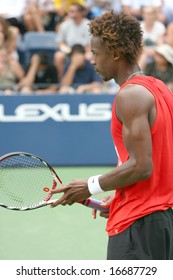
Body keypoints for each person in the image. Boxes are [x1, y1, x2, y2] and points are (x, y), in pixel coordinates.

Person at [50, 11, 173, 260]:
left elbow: (141, 166)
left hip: (138, 225)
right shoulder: (159, 88)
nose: (91, 60)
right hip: (163, 221)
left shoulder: (130, 96)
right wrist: (119, 191)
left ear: (115, 53)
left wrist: (89, 186)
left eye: (95, 53)